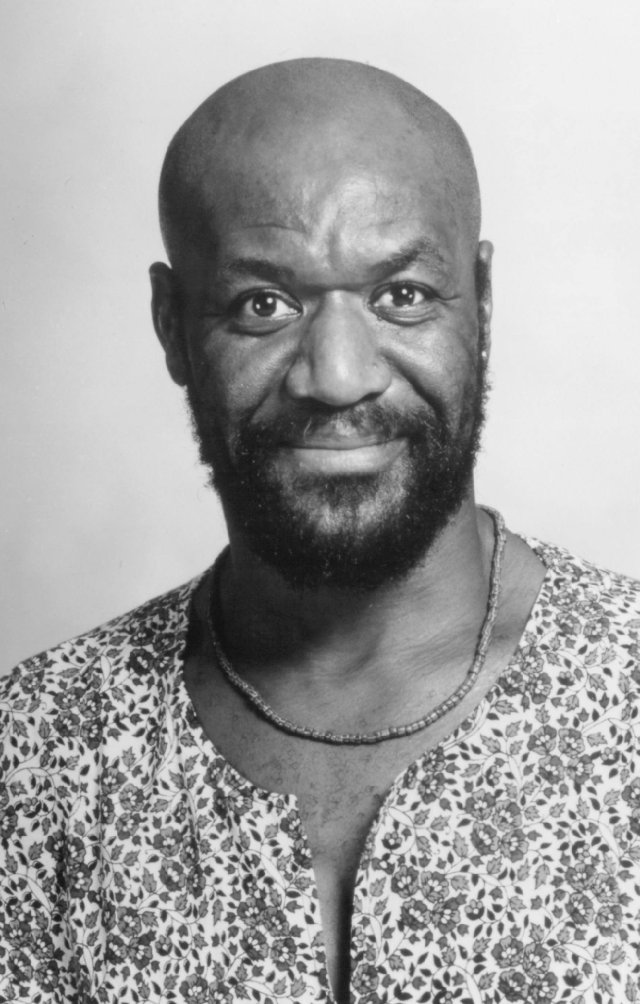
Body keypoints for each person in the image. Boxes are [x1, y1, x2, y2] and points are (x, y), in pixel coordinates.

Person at [1, 57, 639, 1004]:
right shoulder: (32, 752)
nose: (338, 377)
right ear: (172, 326)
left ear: (482, 303)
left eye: (403, 296)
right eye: (265, 305)